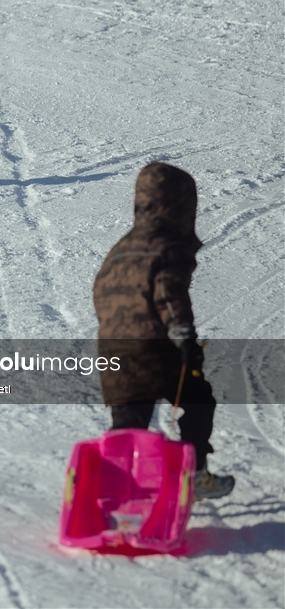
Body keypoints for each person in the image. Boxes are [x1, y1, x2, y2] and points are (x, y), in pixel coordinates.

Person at [93, 162, 234, 500]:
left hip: (113, 353)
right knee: (198, 400)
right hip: (153, 349)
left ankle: (110, 488)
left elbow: (102, 293)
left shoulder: (120, 248)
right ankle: (194, 472)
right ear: (181, 205)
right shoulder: (168, 244)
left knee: (128, 422)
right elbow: (168, 293)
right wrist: (184, 337)